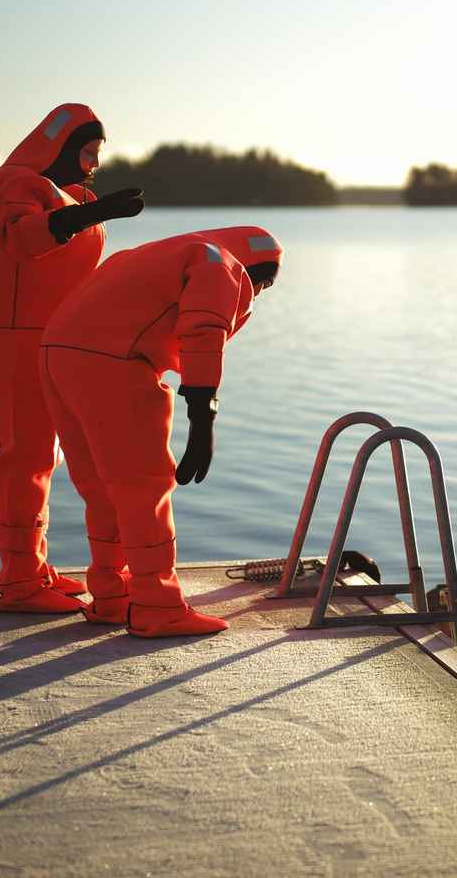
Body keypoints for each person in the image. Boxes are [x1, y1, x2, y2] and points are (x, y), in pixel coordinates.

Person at [38, 226, 283, 637]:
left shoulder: (153, 253)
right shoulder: (218, 263)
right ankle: (158, 606)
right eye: (264, 282)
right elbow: (204, 333)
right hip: (114, 362)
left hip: (56, 353)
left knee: (101, 486)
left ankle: (112, 597)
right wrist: (203, 420)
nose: (257, 293)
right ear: (252, 264)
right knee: (145, 487)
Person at [0, 103, 145, 614]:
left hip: (49, 339)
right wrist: (93, 212)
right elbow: (21, 238)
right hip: (12, 339)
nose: (93, 164)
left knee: (47, 456)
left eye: (97, 155)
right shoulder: (14, 184)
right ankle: (19, 581)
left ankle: (33, 565)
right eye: (87, 152)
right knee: (24, 456)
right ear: (60, 146)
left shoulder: (63, 193)